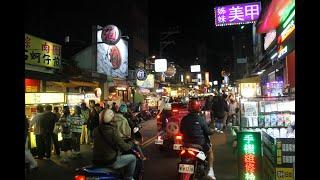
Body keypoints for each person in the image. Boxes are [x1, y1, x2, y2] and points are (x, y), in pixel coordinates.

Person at [93, 109, 136, 180]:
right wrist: (131, 143)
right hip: (109, 161)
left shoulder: (96, 130)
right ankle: (129, 177)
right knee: (133, 158)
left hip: (96, 160)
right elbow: (125, 147)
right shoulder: (113, 131)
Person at [180, 99, 216, 180]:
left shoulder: (184, 119)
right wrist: (213, 131)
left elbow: (181, 130)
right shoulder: (200, 119)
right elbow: (208, 131)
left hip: (186, 144)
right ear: (198, 108)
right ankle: (210, 171)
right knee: (210, 152)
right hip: (199, 144)